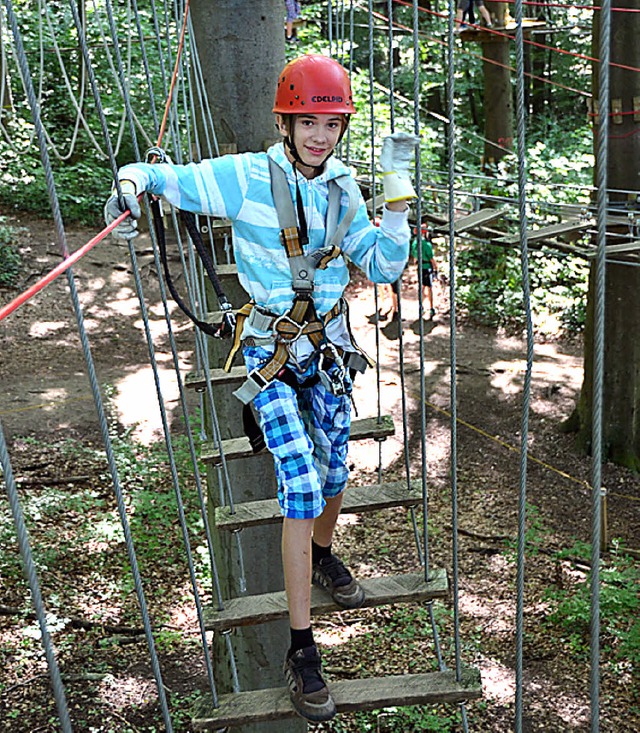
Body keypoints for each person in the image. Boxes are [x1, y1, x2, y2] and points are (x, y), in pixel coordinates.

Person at [104, 54, 419, 723]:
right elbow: (170, 179)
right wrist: (133, 183)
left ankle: (325, 552)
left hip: (329, 351)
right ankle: (303, 650)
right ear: (285, 120)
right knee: (302, 485)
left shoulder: (344, 186)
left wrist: (397, 199)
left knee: (336, 475)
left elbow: (385, 262)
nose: (318, 135)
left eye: (330, 124)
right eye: (307, 121)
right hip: (269, 355)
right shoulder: (247, 177)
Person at [411, 224, 438, 319]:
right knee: (429, 288)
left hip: (420, 267)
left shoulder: (414, 243)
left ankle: (420, 306)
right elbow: (431, 258)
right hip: (427, 267)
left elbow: (414, 257)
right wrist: (436, 268)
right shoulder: (426, 245)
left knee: (422, 287)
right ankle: (431, 308)